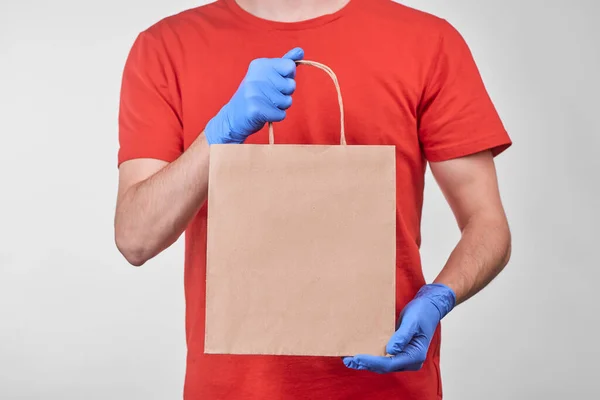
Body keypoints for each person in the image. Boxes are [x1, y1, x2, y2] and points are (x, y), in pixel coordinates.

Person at [115, 0, 512, 398]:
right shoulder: (166, 48)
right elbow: (136, 237)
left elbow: (487, 224)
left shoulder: (429, 42)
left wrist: (440, 296)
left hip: (389, 385)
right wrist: (218, 136)